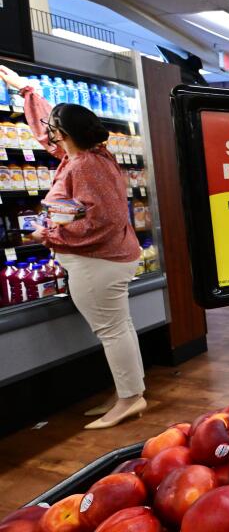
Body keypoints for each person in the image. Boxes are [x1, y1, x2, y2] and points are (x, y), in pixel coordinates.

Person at [0, 65, 146, 429]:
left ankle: (130, 399)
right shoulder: (87, 154)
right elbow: (50, 131)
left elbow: (102, 221)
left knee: (112, 330)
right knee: (119, 327)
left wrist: (48, 235)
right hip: (107, 261)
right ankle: (129, 392)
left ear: (65, 134)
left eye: (54, 131)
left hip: (99, 263)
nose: (48, 135)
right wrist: (26, 91)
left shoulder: (84, 166)